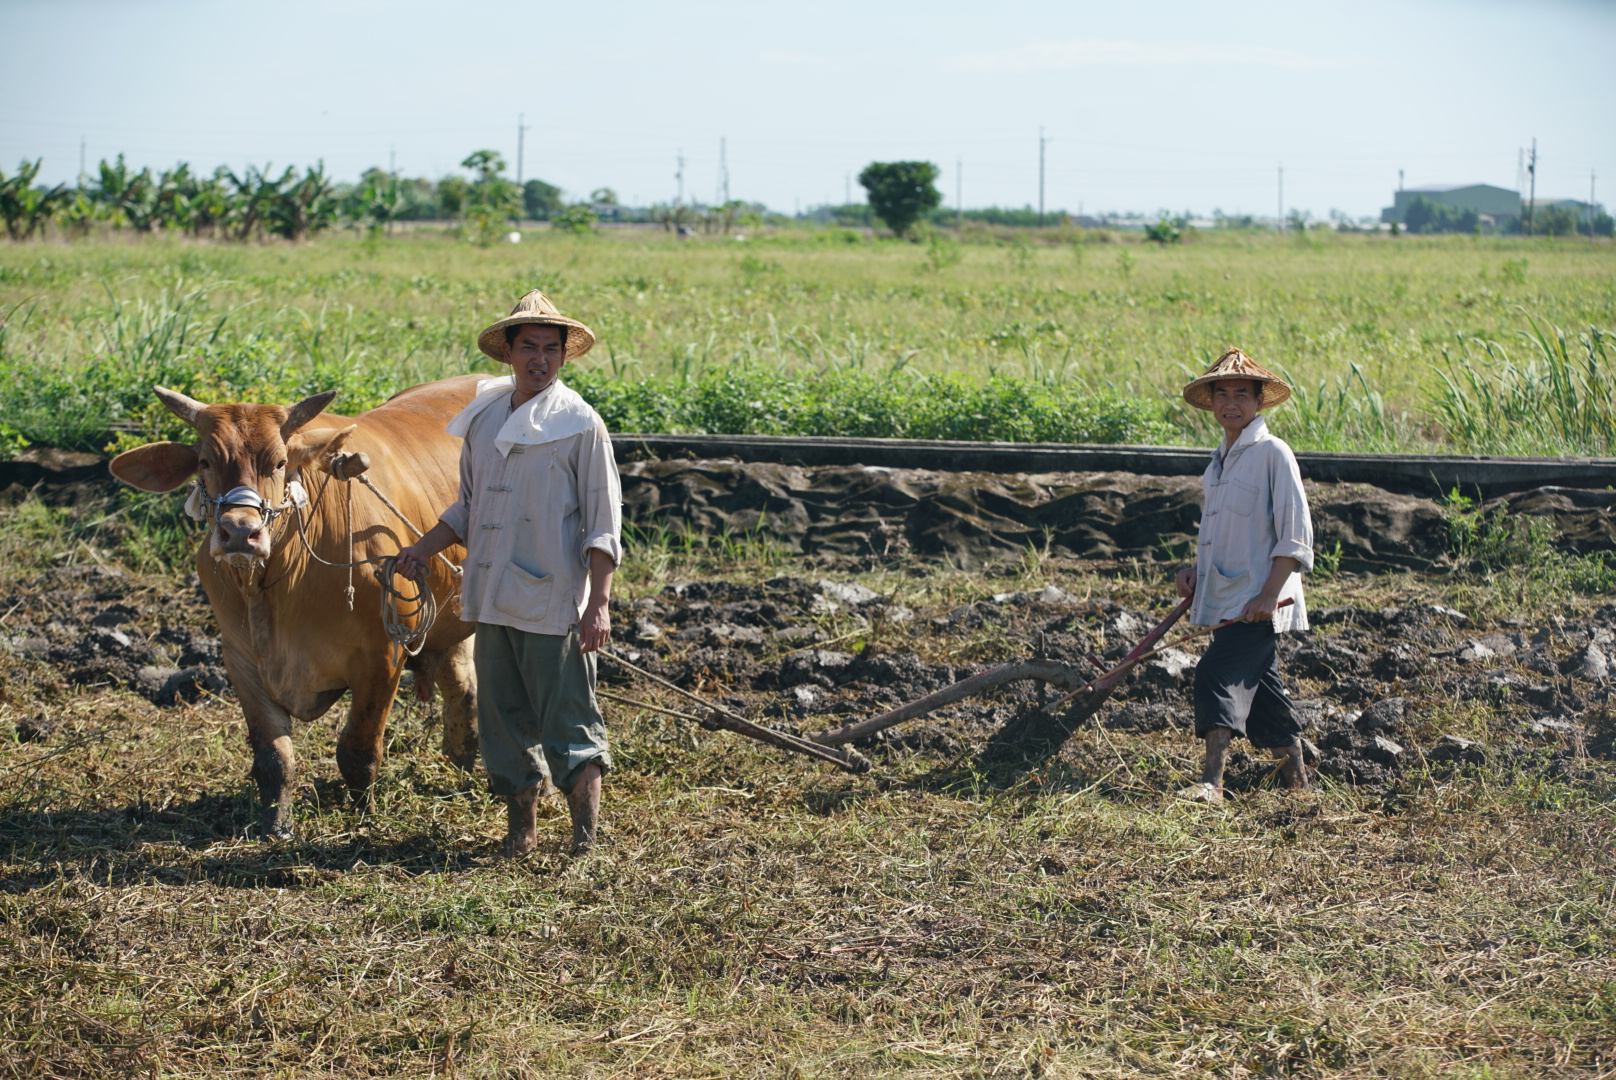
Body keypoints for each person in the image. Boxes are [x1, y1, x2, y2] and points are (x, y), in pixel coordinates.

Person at [396, 290, 622, 856]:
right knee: (503, 725)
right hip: (492, 596)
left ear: (564, 358)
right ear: (509, 354)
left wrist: (598, 605)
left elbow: (603, 524)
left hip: (553, 602)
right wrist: (421, 550)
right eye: (529, 348)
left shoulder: (579, 425)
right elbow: (468, 506)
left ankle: (585, 845)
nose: (539, 360)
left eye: (550, 349)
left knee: (569, 722)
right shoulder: (484, 418)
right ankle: (520, 835)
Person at [1173, 348, 1314, 803]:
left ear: (1258, 403)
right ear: (1211, 402)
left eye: (1240, 395)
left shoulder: (1274, 454)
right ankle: (1299, 788)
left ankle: (1212, 784)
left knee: (1216, 674)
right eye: (1222, 395)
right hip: (1228, 595)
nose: (1230, 403)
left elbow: (1295, 535)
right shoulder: (1217, 463)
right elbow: (1220, 533)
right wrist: (1195, 572)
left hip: (1259, 602)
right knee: (1265, 696)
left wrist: (1269, 596)